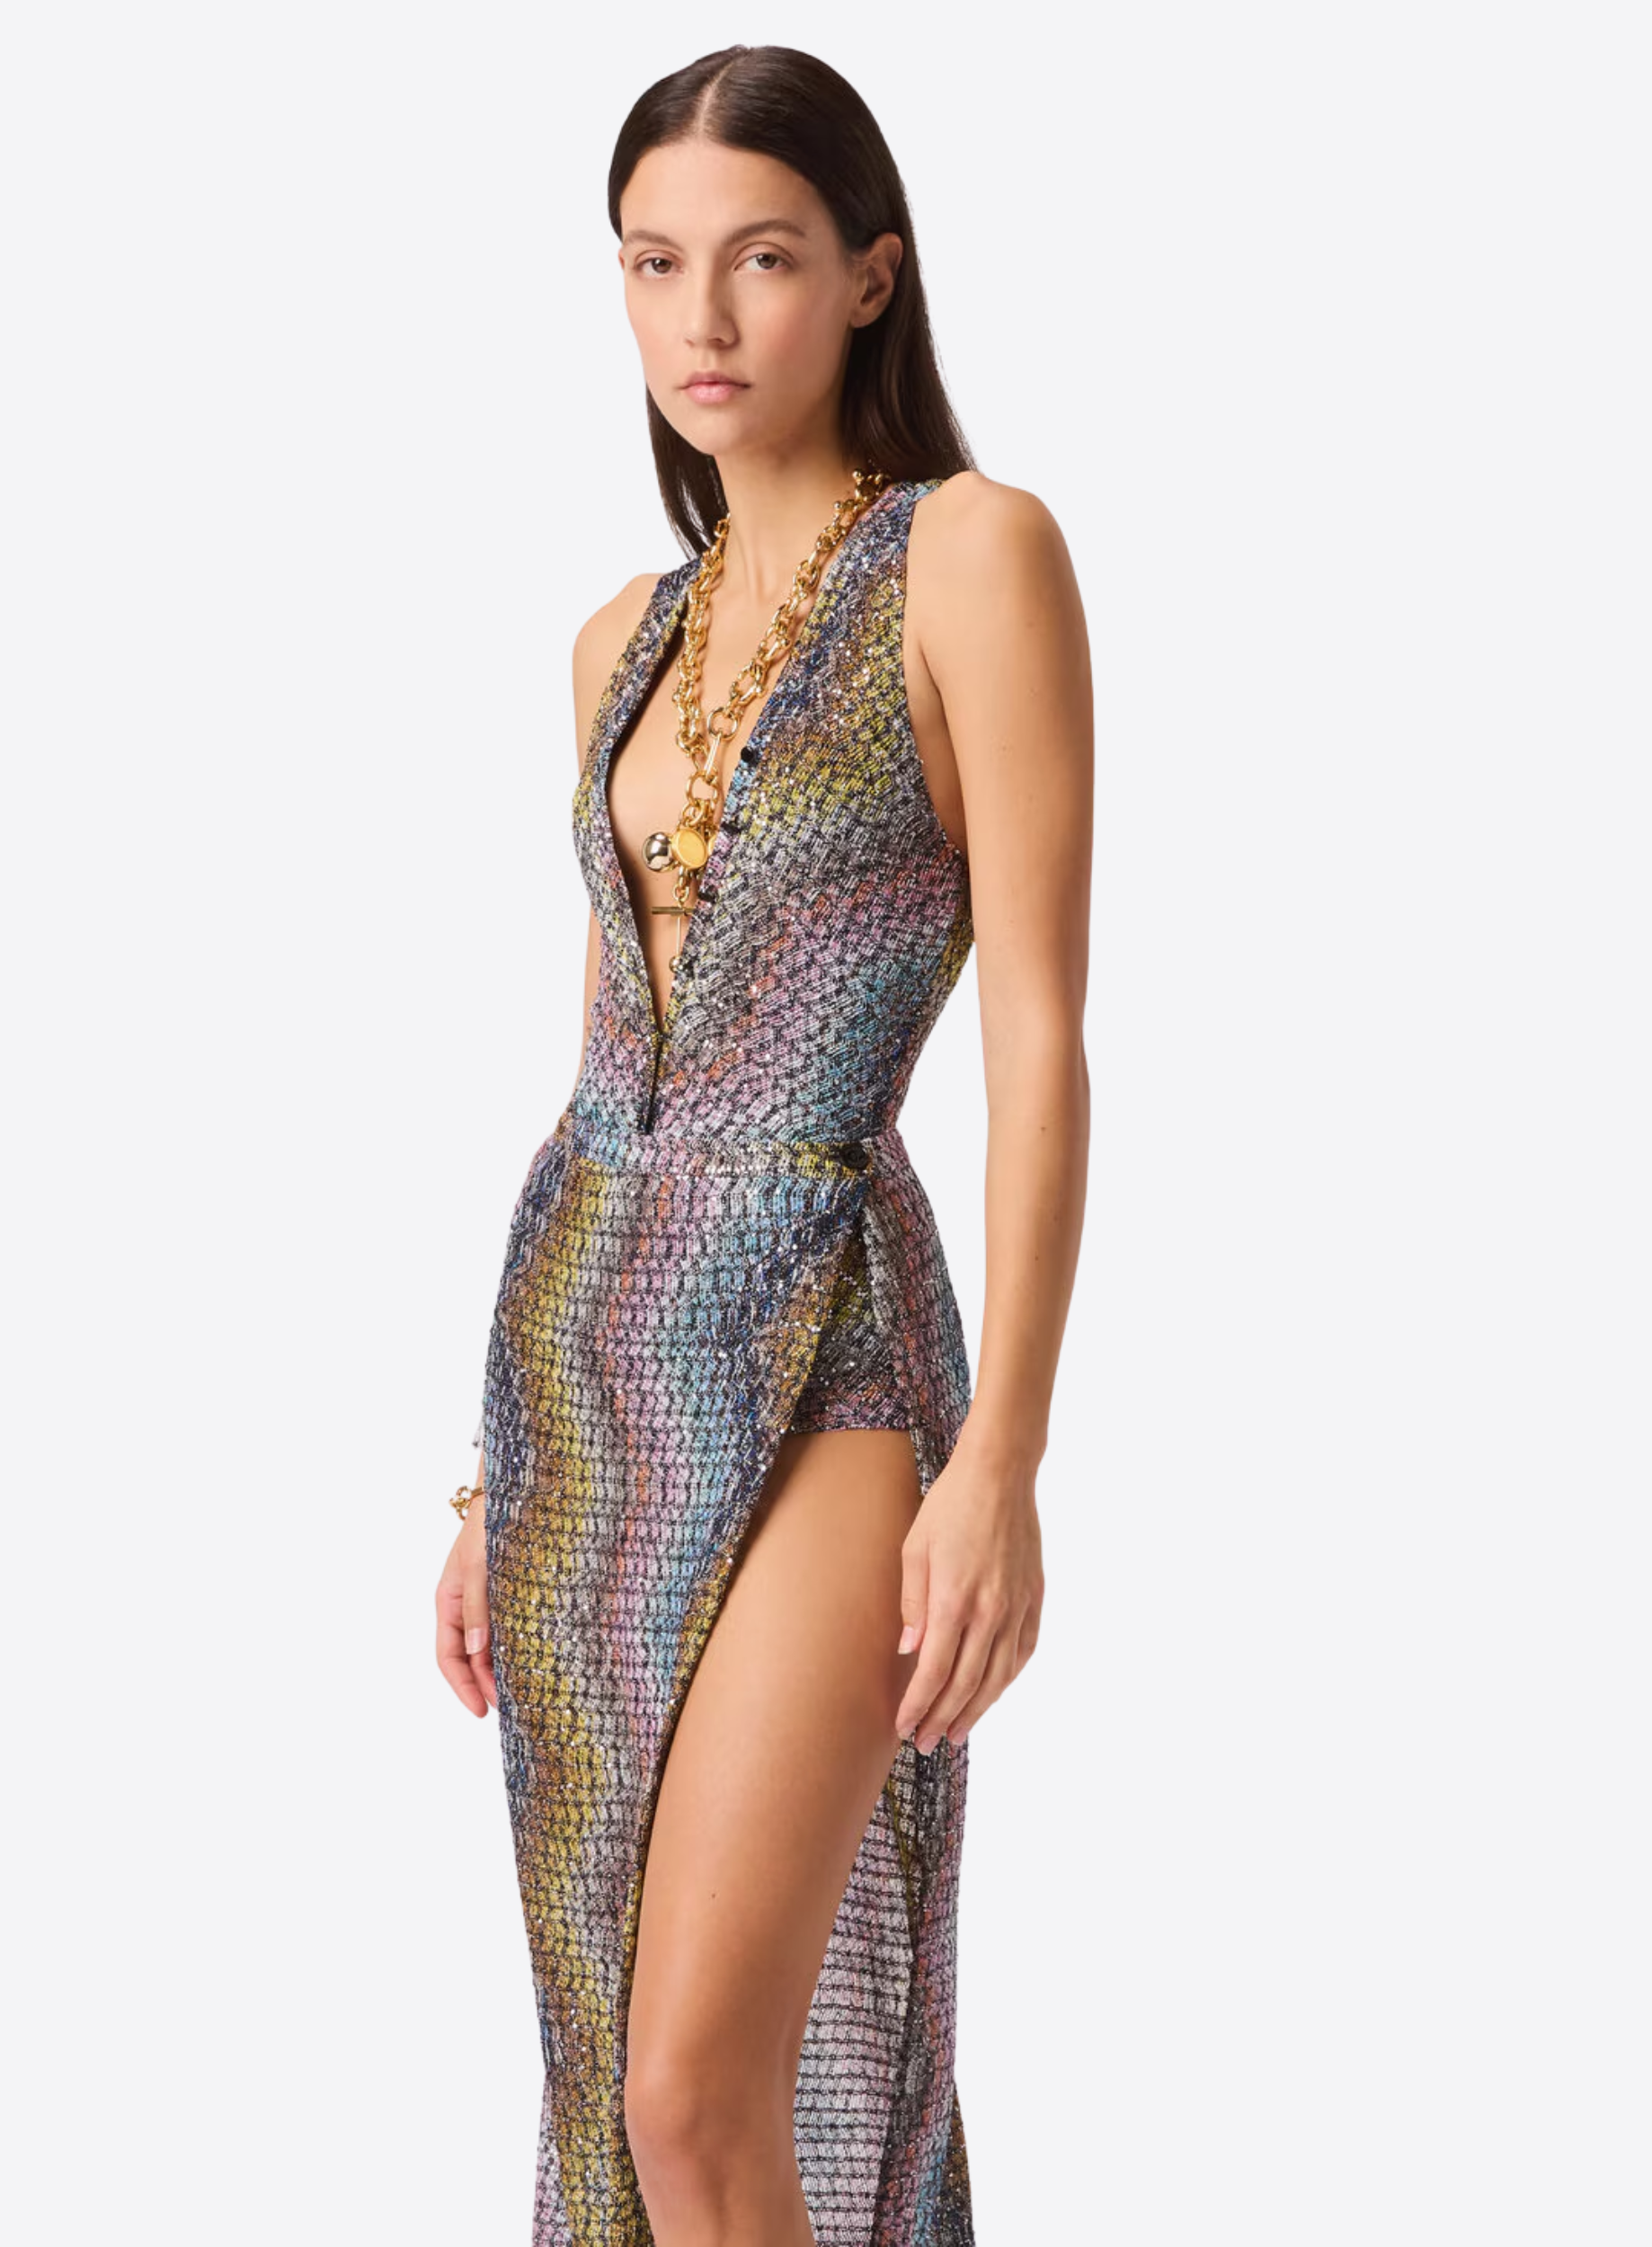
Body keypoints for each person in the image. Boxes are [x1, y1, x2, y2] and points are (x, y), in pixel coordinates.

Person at [436, 43, 1092, 2247]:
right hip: (586, 1365)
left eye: (764, 259)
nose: (701, 317)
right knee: (610, 2086)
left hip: (831, 1336)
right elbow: (605, 1051)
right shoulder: (616, 643)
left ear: (871, 278)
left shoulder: (972, 559)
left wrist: (1003, 1456)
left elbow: (1040, 1035)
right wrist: (490, 1473)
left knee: (697, 2081)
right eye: (653, 264)